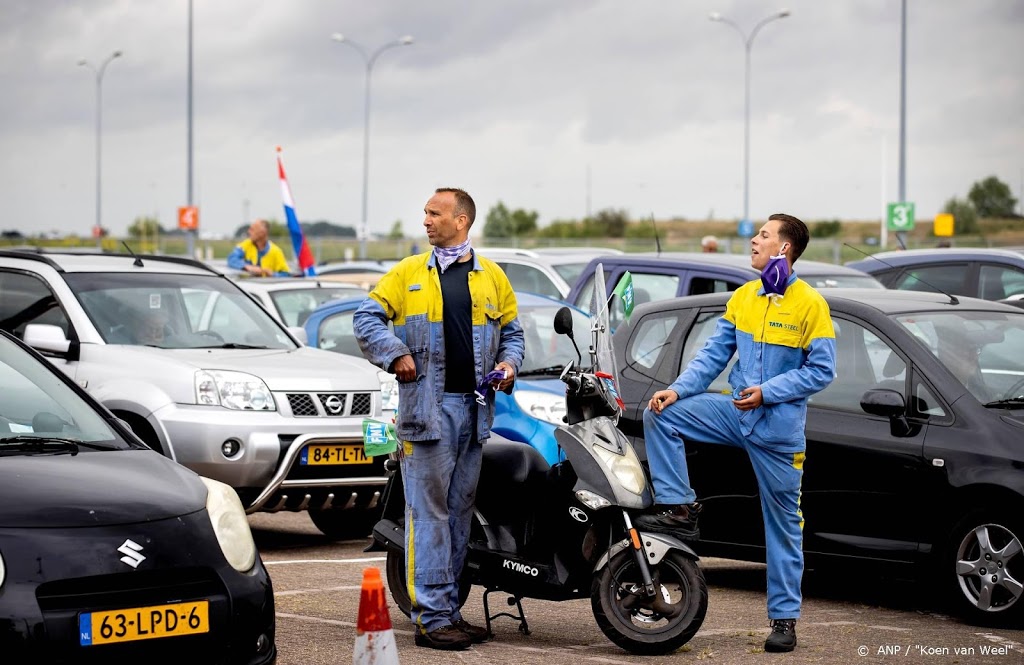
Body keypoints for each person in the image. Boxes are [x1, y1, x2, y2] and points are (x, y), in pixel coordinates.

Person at [636, 213, 836, 653]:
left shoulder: (810, 305)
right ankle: (677, 506)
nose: (754, 242)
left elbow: (822, 371)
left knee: (783, 528)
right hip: (734, 414)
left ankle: (784, 620)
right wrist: (676, 389)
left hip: (778, 432)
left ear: (784, 248)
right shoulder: (744, 297)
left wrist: (767, 392)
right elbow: (712, 356)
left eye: (763, 236)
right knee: (662, 414)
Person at [353, 187, 525, 651]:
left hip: (475, 411)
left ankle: (449, 611)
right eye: (426, 213)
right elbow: (366, 318)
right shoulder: (408, 273)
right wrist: (395, 354)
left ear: (462, 220)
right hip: (427, 414)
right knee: (427, 516)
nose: (426, 220)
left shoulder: (491, 276)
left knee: (457, 515)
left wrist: (509, 366)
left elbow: (513, 333)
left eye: (435, 213)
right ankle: (430, 619)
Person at [226, 219, 291, 276]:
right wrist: (246, 267)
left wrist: (272, 274)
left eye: (252, 229)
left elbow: (286, 274)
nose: (249, 232)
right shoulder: (245, 245)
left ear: (262, 233)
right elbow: (231, 258)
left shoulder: (276, 252)